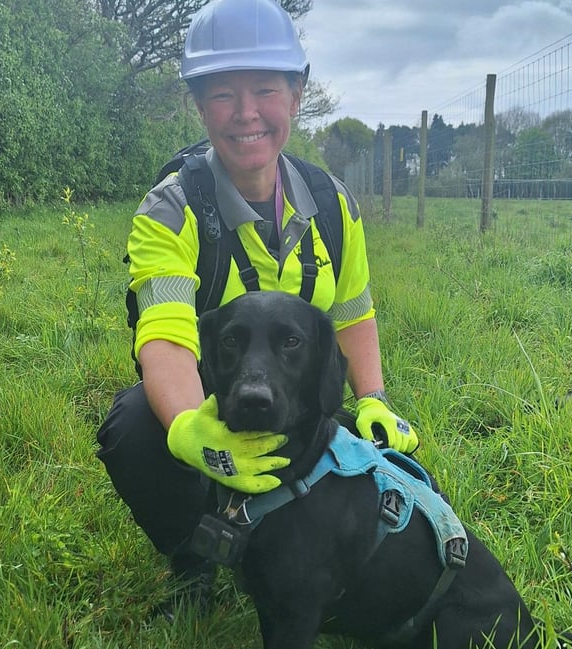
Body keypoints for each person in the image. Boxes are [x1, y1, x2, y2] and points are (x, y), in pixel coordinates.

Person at [96, 0, 419, 613]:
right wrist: (191, 432)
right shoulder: (169, 211)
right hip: (213, 397)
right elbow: (164, 339)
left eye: (265, 90)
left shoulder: (332, 205)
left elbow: (353, 312)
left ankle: (305, 554)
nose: (245, 113)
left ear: (296, 96)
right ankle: (195, 559)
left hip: (302, 400)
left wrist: (374, 399)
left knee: (373, 456)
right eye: (223, 94)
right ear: (199, 105)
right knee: (136, 426)